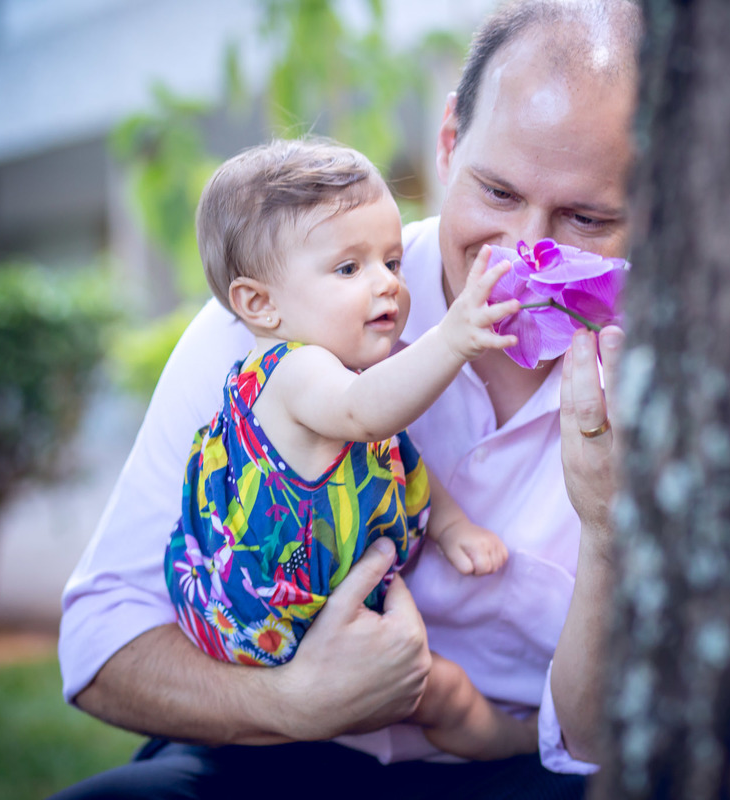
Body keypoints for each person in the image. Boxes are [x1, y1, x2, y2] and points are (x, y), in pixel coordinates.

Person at [54, 1, 638, 797]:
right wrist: (291, 704)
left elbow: (600, 740)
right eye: (497, 192)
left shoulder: (674, 384)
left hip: (506, 772)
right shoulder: (282, 310)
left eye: (585, 216)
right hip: (260, 752)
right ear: (448, 140)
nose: (520, 253)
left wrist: (606, 528)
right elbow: (99, 643)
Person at [165, 136, 535, 761]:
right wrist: (454, 337)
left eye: (392, 262)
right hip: (276, 626)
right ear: (260, 304)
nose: (387, 285)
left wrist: (449, 525)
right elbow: (369, 416)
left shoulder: (344, 371)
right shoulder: (290, 372)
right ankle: (524, 745)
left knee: (432, 687)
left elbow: (393, 454)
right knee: (440, 689)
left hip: (322, 612)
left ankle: (529, 745)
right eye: (348, 269)